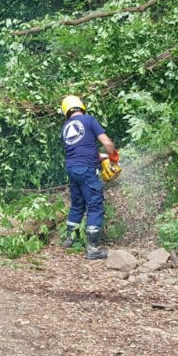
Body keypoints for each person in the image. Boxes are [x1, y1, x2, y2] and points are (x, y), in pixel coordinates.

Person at [60, 95, 119, 260]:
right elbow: (107, 143)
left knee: (78, 204)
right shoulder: (89, 120)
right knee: (95, 205)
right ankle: (93, 249)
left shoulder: (65, 127)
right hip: (86, 169)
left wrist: (100, 157)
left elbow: (80, 149)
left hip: (72, 168)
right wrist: (113, 159)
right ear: (81, 106)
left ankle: (69, 239)